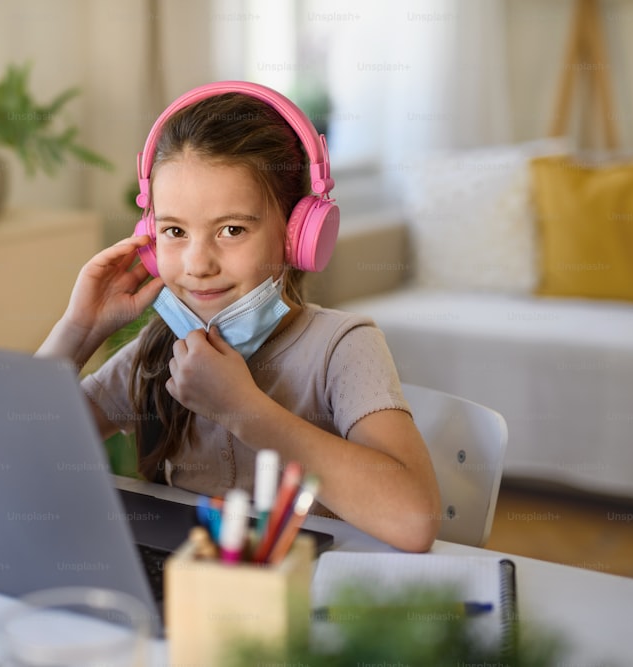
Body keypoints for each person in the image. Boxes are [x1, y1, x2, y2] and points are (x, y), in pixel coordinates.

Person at [37, 82, 441, 553]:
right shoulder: (157, 350)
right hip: (193, 599)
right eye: (174, 231)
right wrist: (78, 332)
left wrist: (242, 411)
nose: (198, 263)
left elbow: (415, 521)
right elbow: (14, 454)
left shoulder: (343, 347)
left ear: (296, 236)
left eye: (231, 230)